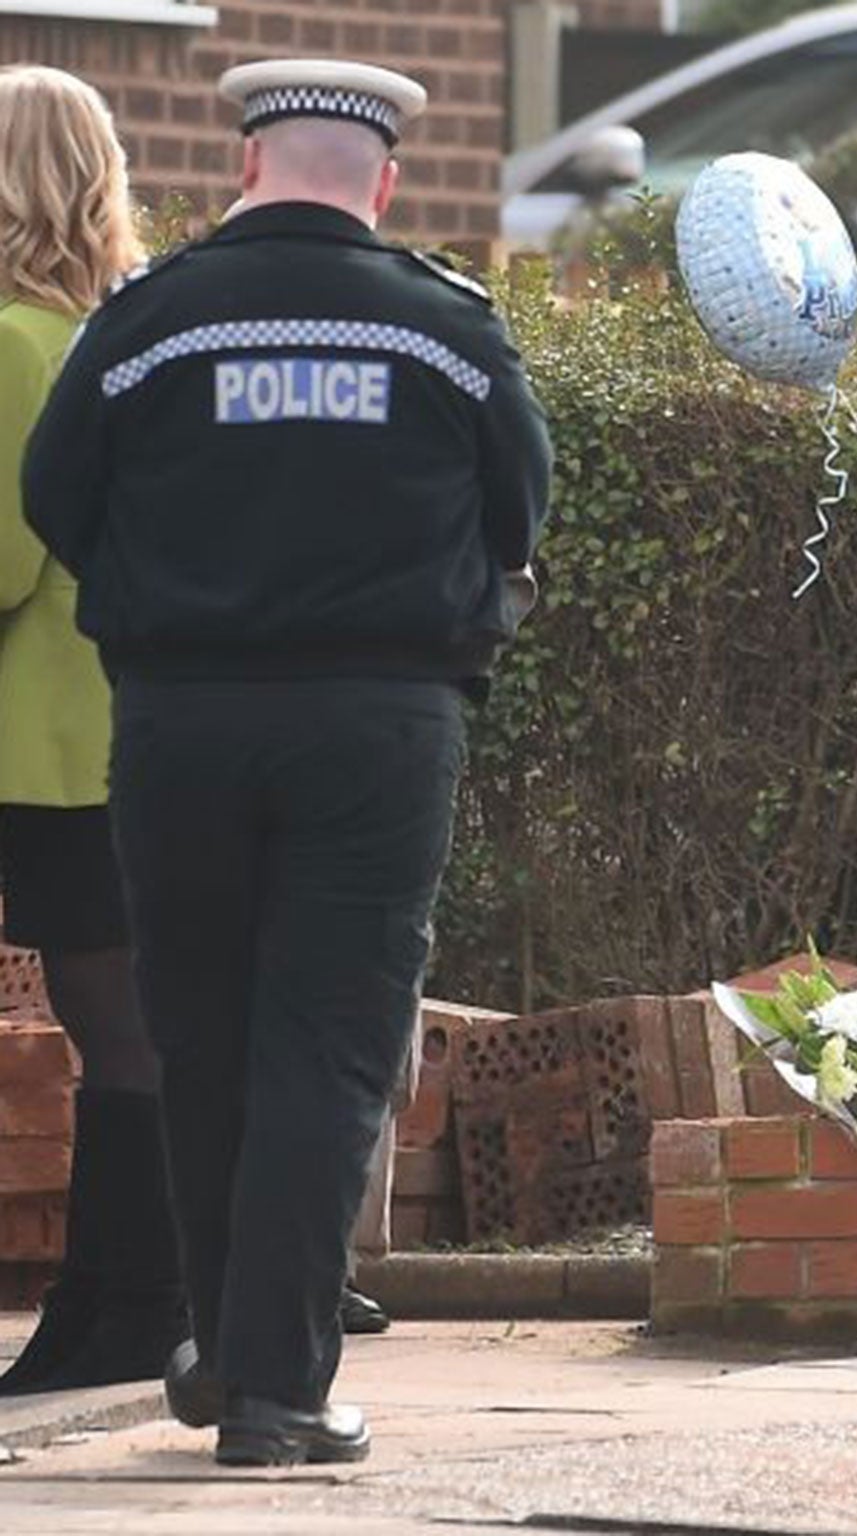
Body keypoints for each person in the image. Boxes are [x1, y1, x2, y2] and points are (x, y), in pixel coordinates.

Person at [22, 58, 552, 1464]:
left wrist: (174, 612)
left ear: (248, 168)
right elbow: (521, 510)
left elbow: (54, 496)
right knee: (329, 1041)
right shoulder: (449, 329)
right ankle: (275, 1389)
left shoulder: (144, 324)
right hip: (379, 727)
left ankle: (219, 1353)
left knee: (197, 1031)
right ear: (382, 183)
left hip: (178, 720)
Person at [0, 65, 187, 1397]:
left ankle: (116, 1308)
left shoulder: (11, 341)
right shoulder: (126, 328)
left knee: (113, 1026)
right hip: (127, 728)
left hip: (45, 744)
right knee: (131, 1025)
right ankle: (139, 1301)